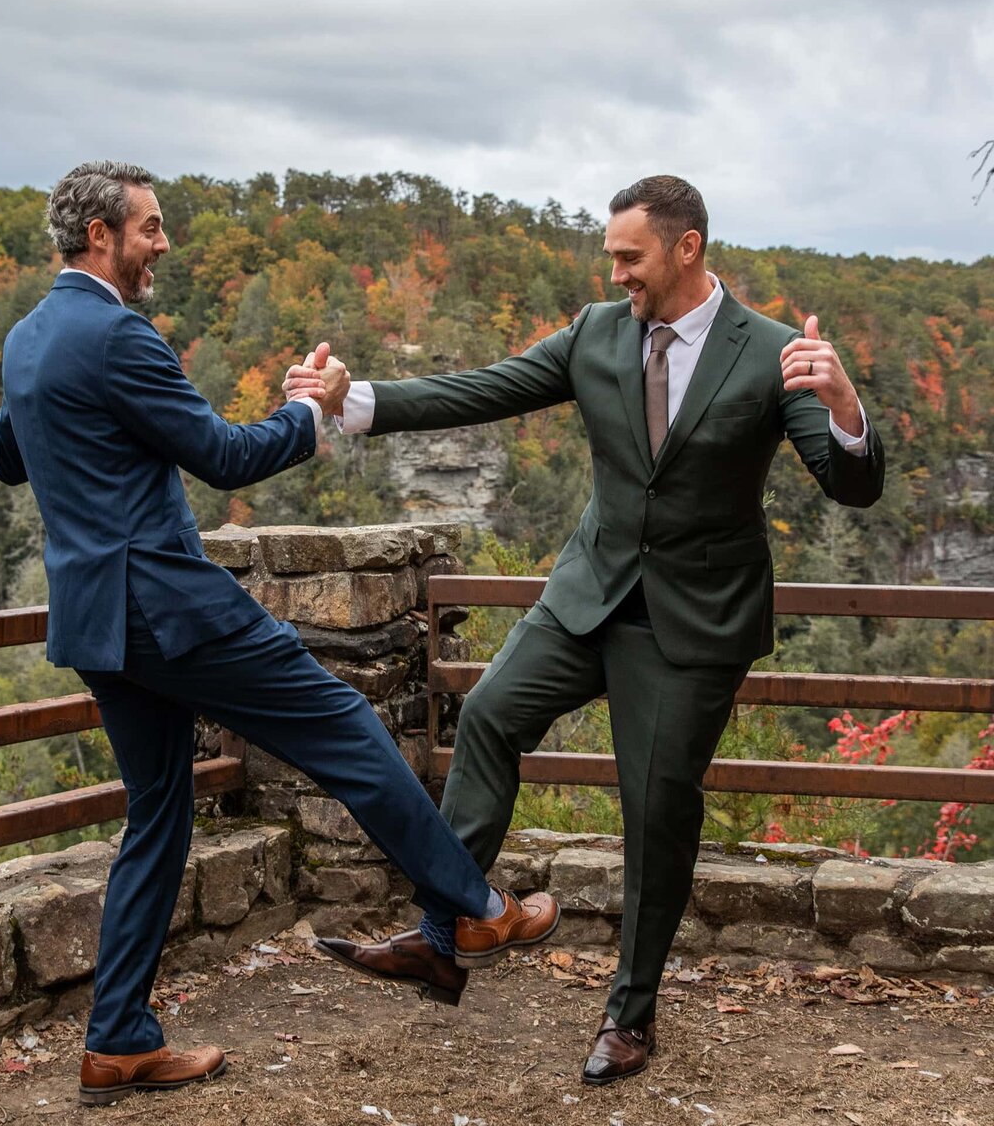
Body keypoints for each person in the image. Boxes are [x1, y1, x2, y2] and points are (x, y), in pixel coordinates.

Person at [285, 175, 884, 1087]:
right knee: (485, 717)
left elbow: (850, 487)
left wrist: (844, 409)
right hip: (587, 597)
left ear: (687, 248)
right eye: (611, 255)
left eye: (629, 257)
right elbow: (482, 390)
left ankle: (630, 1016)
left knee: (655, 815)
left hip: (694, 624)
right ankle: (450, 934)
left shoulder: (769, 353)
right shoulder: (597, 335)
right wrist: (350, 398)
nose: (616, 273)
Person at [0, 161, 560, 1108]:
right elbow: (223, 456)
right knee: (342, 723)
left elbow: (10, 456)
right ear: (100, 235)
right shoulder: (120, 335)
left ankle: (119, 1040)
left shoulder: (25, 338)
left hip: (94, 621)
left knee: (157, 814)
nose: (162, 243)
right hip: (170, 609)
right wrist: (307, 409)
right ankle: (475, 910)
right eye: (151, 227)